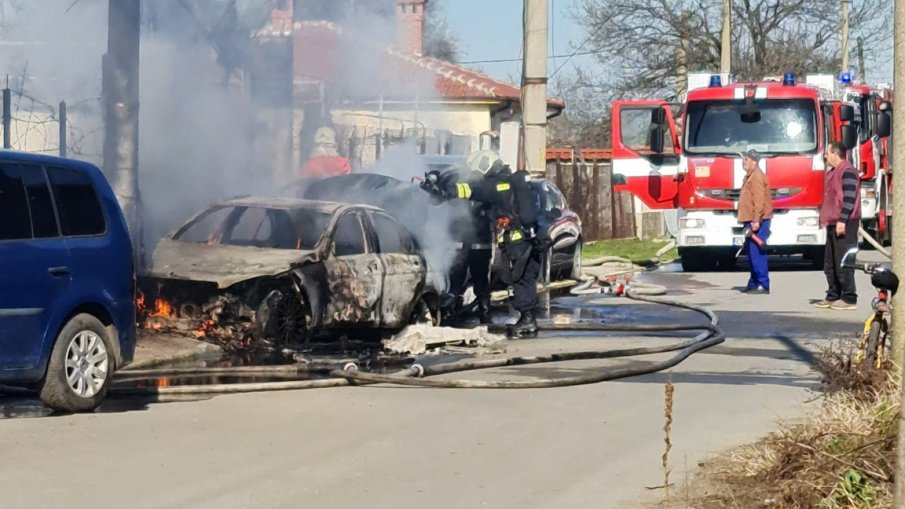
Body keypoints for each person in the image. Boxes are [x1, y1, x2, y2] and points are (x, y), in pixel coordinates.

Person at [422, 150, 543, 337]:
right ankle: (527, 319)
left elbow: (473, 190)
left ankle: (527, 319)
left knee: (518, 279)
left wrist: (447, 190)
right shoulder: (509, 181)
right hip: (526, 238)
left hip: (516, 241)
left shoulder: (497, 185)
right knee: (525, 278)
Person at [434, 161, 493, 324]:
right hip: (480, 245)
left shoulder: (457, 191)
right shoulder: (484, 190)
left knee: (455, 281)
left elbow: (440, 204)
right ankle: (485, 314)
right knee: (480, 282)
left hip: (461, 244)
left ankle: (449, 313)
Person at [816, 141, 860, 310]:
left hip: (845, 223)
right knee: (830, 262)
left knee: (844, 261)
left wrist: (842, 220)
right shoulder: (833, 172)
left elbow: (848, 198)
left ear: (835, 154)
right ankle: (833, 294)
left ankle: (849, 297)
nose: (825, 156)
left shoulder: (847, 171)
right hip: (833, 222)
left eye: (828, 153)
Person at [737, 149, 773, 294]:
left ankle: (762, 284)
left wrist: (756, 220)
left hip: (758, 221)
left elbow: (759, 201)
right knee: (751, 254)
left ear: (754, 161)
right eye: (743, 159)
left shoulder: (757, 177)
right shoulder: (750, 176)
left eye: (746, 159)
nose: (743, 162)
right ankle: (753, 283)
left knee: (757, 252)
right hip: (750, 220)